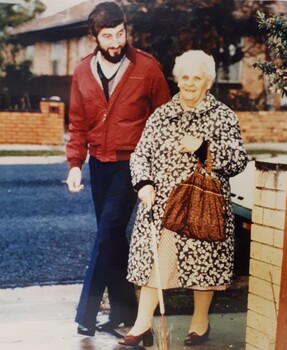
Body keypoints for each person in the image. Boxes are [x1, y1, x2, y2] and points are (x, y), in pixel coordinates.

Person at [118, 50, 249, 347]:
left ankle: (200, 325)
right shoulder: (162, 115)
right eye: (185, 77)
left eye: (197, 78)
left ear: (208, 82)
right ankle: (141, 326)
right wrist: (144, 183)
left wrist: (204, 148)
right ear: (178, 80)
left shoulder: (223, 116)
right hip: (163, 204)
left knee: (204, 268)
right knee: (156, 264)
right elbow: (140, 154)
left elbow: (238, 160)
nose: (190, 83)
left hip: (204, 206)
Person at [66, 1, 170, 337]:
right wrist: (74, 164)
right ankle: (124, 313)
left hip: (132, 164)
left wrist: (155, 167)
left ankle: (86, 312)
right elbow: (78, 122)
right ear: (94, 36)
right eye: (108, 36)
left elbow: (163, 119)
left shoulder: (148, 68)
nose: (116, 42)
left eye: (120, 33)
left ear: (127, 30)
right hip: (99, 163)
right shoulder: (82, 71)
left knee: (107, 232)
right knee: (111, 240)